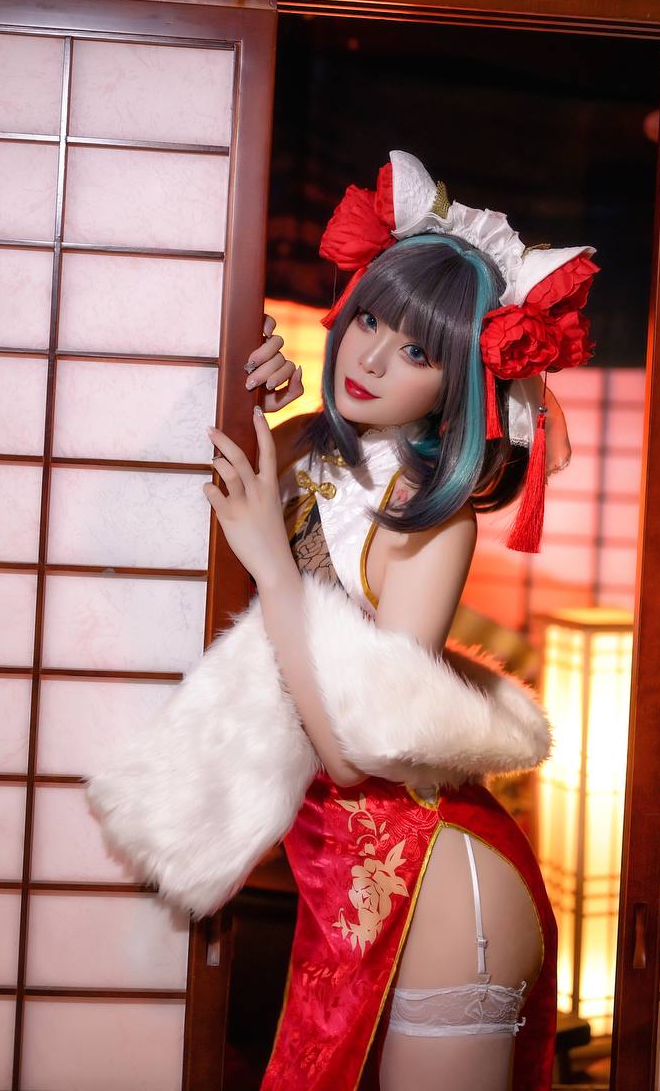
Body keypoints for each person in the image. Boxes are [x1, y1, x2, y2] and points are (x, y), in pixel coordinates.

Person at [86, 150, 597, 1091]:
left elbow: (358, 755)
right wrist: (250, 396)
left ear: (458, 383)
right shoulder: (316, 450)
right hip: (348, 865)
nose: (369, 358)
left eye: (417, 352)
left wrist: (275, 568)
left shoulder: (433, 524)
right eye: (368, 319)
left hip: (440, 877)